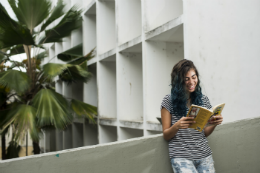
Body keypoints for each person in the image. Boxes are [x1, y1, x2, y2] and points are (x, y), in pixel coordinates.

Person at [160, 59, 223, 173]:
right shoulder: (168, 100)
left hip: (204, 155)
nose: (191, 82)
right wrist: (177, 126)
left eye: (194, 77)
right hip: (181, 157)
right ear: (178, 81)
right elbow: (166, 135)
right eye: (186, 79)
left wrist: (214, 124)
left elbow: (204, 133)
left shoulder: (203, 100)